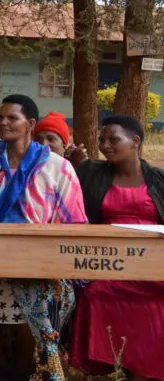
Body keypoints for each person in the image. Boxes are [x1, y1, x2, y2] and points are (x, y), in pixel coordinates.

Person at [0, 94, 87, 380]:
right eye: (0, 117)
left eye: (13, 118)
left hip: (41, 266)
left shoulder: (57, 168)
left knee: (36, 293)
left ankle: (27, 368)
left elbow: (73, 224)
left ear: (31, 124)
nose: (4, 122)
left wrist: (43, 262)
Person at [69, 115, 164, 381]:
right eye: (102, 140)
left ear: (135, 141)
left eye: (113, 139)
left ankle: (145, 369)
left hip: (152, 263)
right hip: (108, 260)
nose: (105, 146)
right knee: (96, 294)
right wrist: (73, 162)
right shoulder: (91, 173)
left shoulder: (158, 179)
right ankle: (121, 361)